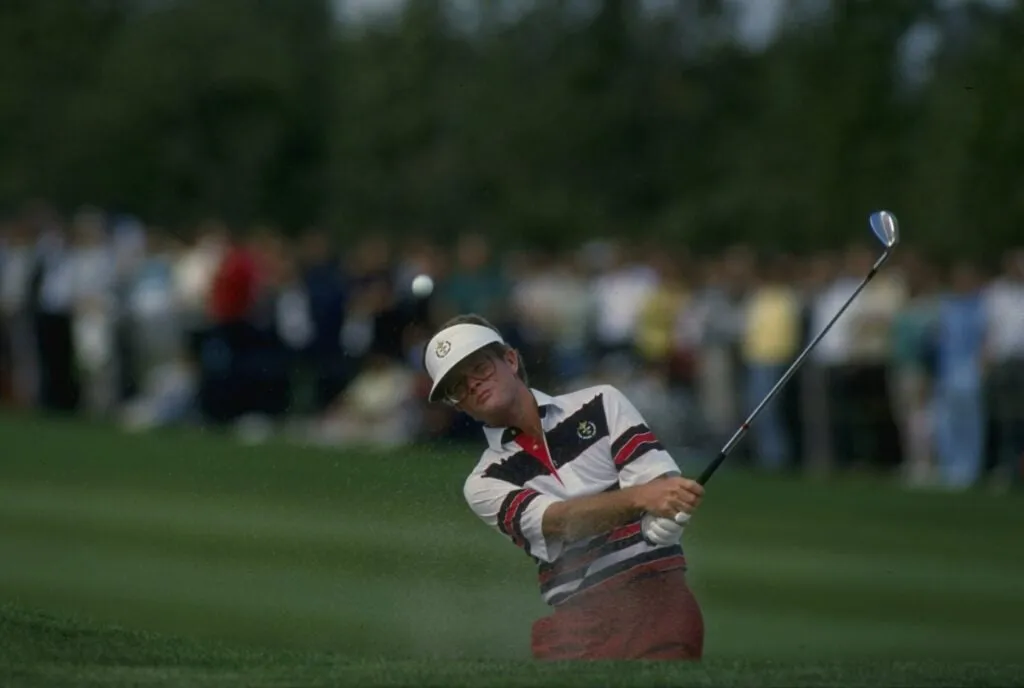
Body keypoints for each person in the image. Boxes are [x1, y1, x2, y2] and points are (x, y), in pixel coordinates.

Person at [423, 313, 706, 661]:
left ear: (510, 360)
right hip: (579, 621)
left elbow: (658, 487)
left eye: (480, 368)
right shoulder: (484, 481)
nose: (473, 385)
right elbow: (559, 521)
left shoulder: (601, 403)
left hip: (658, 599)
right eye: (457, 386)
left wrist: (663, 506)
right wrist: (641, 500)